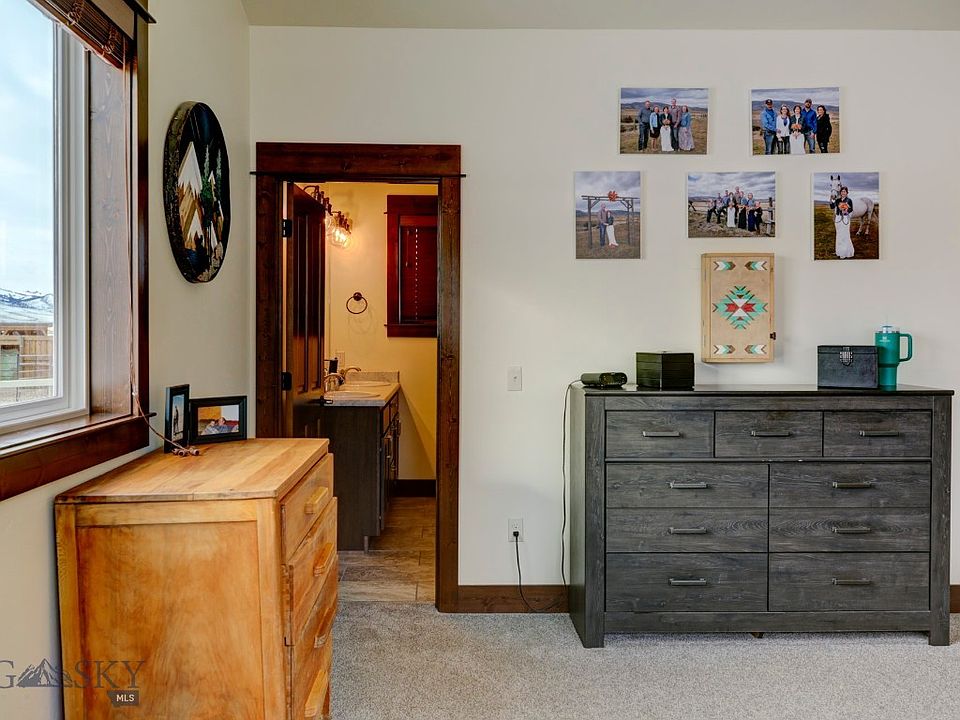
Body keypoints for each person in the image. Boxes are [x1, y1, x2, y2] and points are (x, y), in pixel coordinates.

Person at [831, 186, 855, 258]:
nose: (843, 193)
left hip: (845, 218)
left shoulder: (849, 200)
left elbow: (851, 209)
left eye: (844, 191)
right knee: (839, 234)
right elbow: (832, 207)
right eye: (842, 191)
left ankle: (845, 252)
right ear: (840, 192)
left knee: (845, 234)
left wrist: (846, 211)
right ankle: (839, 251)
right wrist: (831, 200)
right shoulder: (838, 200)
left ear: (847, 193)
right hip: (838, 218)